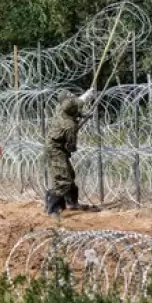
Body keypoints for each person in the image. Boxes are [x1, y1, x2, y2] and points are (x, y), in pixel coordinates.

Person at [44, 88, 97, 220]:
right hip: (56, 149)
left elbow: (75, 104)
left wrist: (81, 114)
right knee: (64, 179)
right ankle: (52, 207)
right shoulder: (69, 126)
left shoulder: (61, 109)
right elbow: (71, 146)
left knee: (69, 174)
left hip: (55, 145)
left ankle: (72, 202)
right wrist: (71, 148)